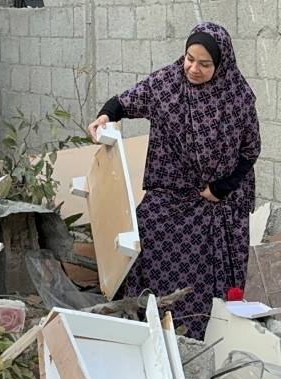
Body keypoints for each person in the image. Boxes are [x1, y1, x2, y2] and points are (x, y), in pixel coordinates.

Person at [88, 22, 261, 339]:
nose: (193, 68)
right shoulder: (167, 84)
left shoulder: (238, 98)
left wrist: (221, 188)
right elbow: (128, 100)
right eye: (189, 59)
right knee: (144, 234)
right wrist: (106, 115)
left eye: (204, 64)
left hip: (219, 202)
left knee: (212, 279)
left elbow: (250, 151)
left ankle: (205, 337)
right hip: (173, 193)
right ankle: (145, 326)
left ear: (221, 65)